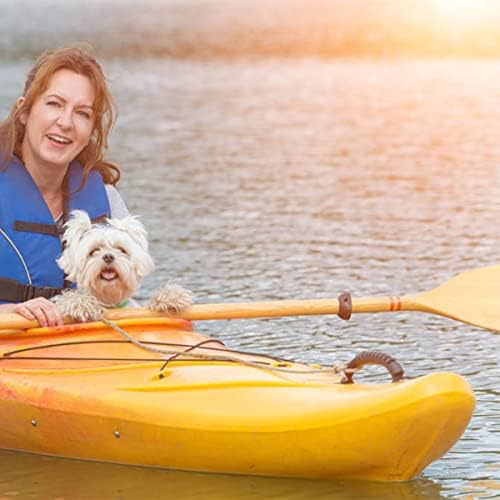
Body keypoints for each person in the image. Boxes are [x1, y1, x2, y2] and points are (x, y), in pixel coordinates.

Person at [0, 46, 129, 327]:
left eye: (82, 113)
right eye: (54, 104)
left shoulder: (106, 201)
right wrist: (10, 312)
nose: (66, 122)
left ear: (91, 130)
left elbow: (125, 300)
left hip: (77, 353)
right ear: (24, 111)